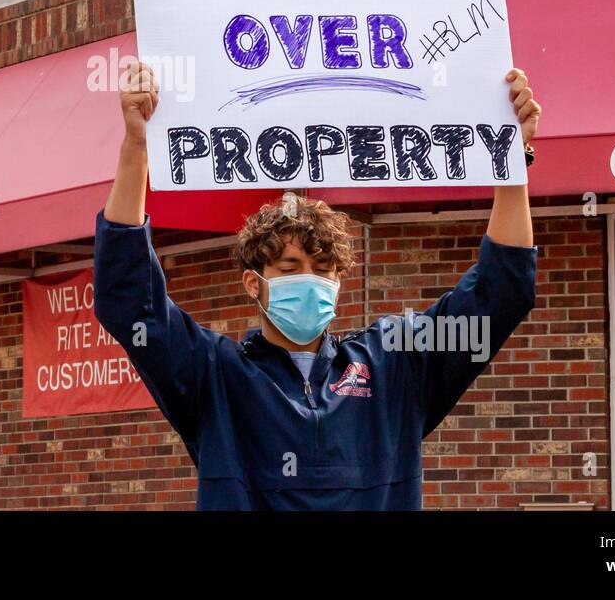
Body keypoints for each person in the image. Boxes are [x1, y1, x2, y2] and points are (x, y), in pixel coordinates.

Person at [93, 62, 540, 509]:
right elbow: (130, 301)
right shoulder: (215, 377)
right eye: (290, 269)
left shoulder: (394, 366)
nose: (310, 281)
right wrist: (136, 147)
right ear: (254, 283)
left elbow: (498, 295)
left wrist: (510, 156)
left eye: (323, 269)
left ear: (340, 280)